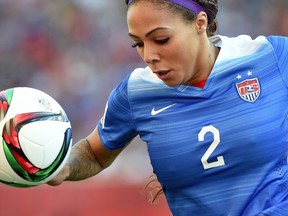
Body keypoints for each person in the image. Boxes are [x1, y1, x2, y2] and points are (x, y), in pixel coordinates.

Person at [48, 0, 288, 215]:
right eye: (138, 44)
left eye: (161, 39)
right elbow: (93, 152)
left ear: (200, 23)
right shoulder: (136, 92)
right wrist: (63, 166)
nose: (149, 55)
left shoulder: (272, 57)